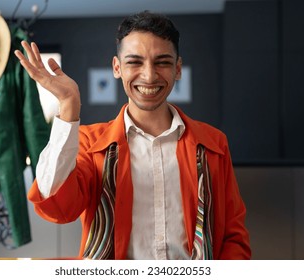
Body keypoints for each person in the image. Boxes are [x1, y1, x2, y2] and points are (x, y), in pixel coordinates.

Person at [14, 11, 251, 260]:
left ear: (178, 69)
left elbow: (233, 237)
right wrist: (68, 104)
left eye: (162, 62)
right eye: (134, 62)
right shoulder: (89, 143)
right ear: (117, 68)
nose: (149, 75)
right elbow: (58, 206)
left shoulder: (214, 143)